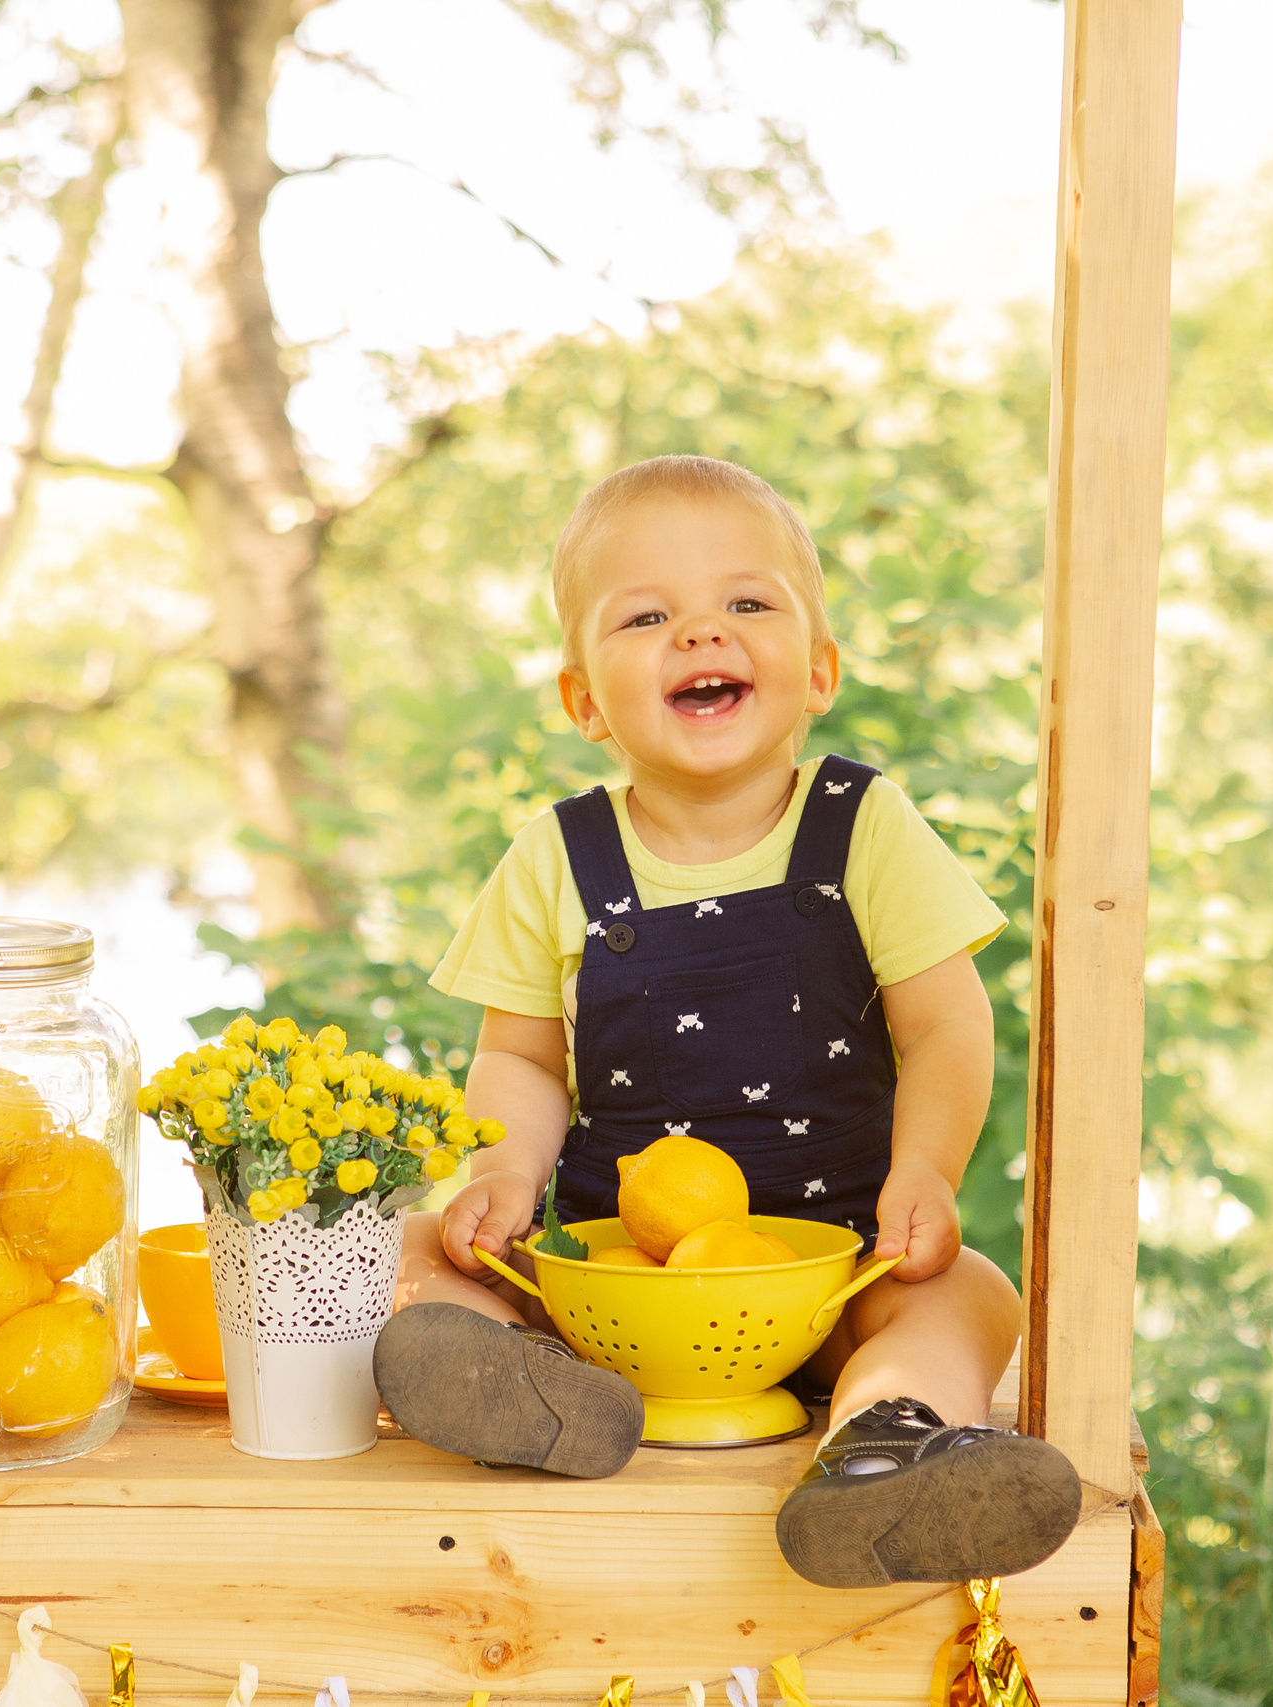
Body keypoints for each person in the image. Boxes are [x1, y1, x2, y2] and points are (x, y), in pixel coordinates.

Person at [370, 455, 1081, 1589]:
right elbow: (519, 1058)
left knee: (972, 1294)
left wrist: (929, 1173)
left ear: (818, 669)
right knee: (405, 1254)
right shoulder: (555, 855)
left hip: (840, 1272)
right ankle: (530, 1386)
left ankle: (881, 1448)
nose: (702, 635)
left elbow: (946, 1028)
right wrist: (499, 1182)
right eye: (648, 616)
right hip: (608, 1286)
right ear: (585, 701)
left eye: (746, 605)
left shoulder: (866, 828)